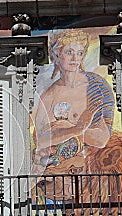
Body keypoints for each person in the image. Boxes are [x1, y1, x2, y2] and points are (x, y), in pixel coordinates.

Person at [33, 29, 115, 200]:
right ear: (57, 55)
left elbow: (101, 139)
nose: (75, 58)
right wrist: (77, 129)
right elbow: (40, 140)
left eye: (79, 53)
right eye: (69, 52)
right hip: (53, 177)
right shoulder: (48, 95)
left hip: (86, 175)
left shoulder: (96, 87)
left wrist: (62, 129)